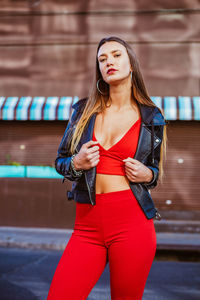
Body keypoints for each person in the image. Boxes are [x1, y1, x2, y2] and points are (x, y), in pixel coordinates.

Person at [47, 36, 167, 300]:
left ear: (131, 64)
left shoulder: (151, 117)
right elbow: (61, 162)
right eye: (102, 59)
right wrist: (77, 164)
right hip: (87, 227)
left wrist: (148, 174)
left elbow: (154, 171)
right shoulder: (83, 111)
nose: (109, 62)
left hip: (132, 225)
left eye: (116, 55)